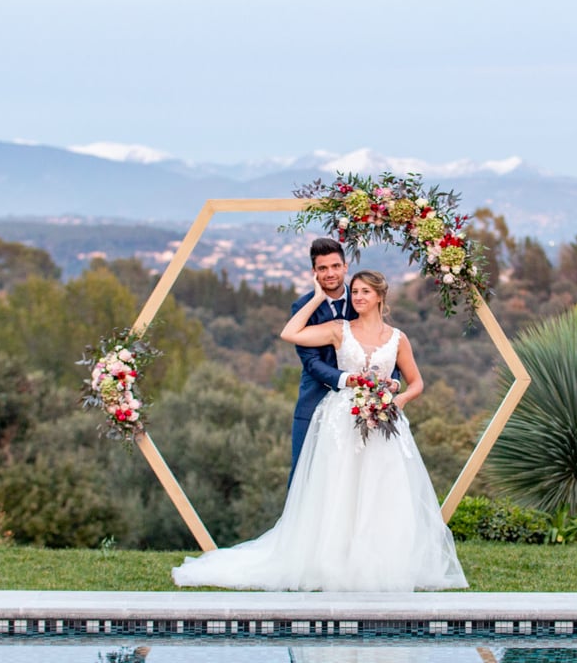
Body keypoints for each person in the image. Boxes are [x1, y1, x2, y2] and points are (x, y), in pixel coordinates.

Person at [171, 269, 467, 592]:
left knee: (382, 491)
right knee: (338, 491)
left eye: (365, 292)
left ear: (380, 296)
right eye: (354, 292)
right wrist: (316, 297)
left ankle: (378, 565)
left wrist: (400, 399)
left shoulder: (398, 338)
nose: (358, 297)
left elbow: (417, 381)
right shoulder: (339, 330)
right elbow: (290, 332)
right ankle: (332, 563)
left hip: (383, 422)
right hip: (342, 420)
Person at [287, 238, 356, 484]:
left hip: (360, 406)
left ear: (345, 267)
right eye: (323, 268)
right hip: (314, 400)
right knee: (303, 479)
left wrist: (391, 382)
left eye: (336, 266)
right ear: (314, 272)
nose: (330, 273)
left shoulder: (363, 300)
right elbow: (311, 363)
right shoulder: (302, 307)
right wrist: (350, 380)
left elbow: (383, 343)